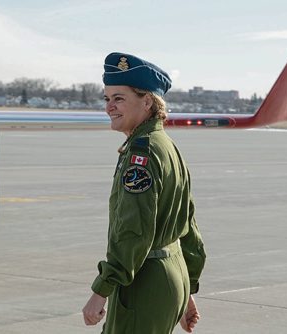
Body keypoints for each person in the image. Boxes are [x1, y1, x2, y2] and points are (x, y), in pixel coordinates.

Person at [82, 52, 206, 333]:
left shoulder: (143, 152)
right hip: (170, 274)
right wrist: (186, 289)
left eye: (119, 98)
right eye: (107, 99)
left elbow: (133, 231)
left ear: (147, 101)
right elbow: (189, 227)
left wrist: (101, 290)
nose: (110, 107)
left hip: (144, 283)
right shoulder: (167, 146)